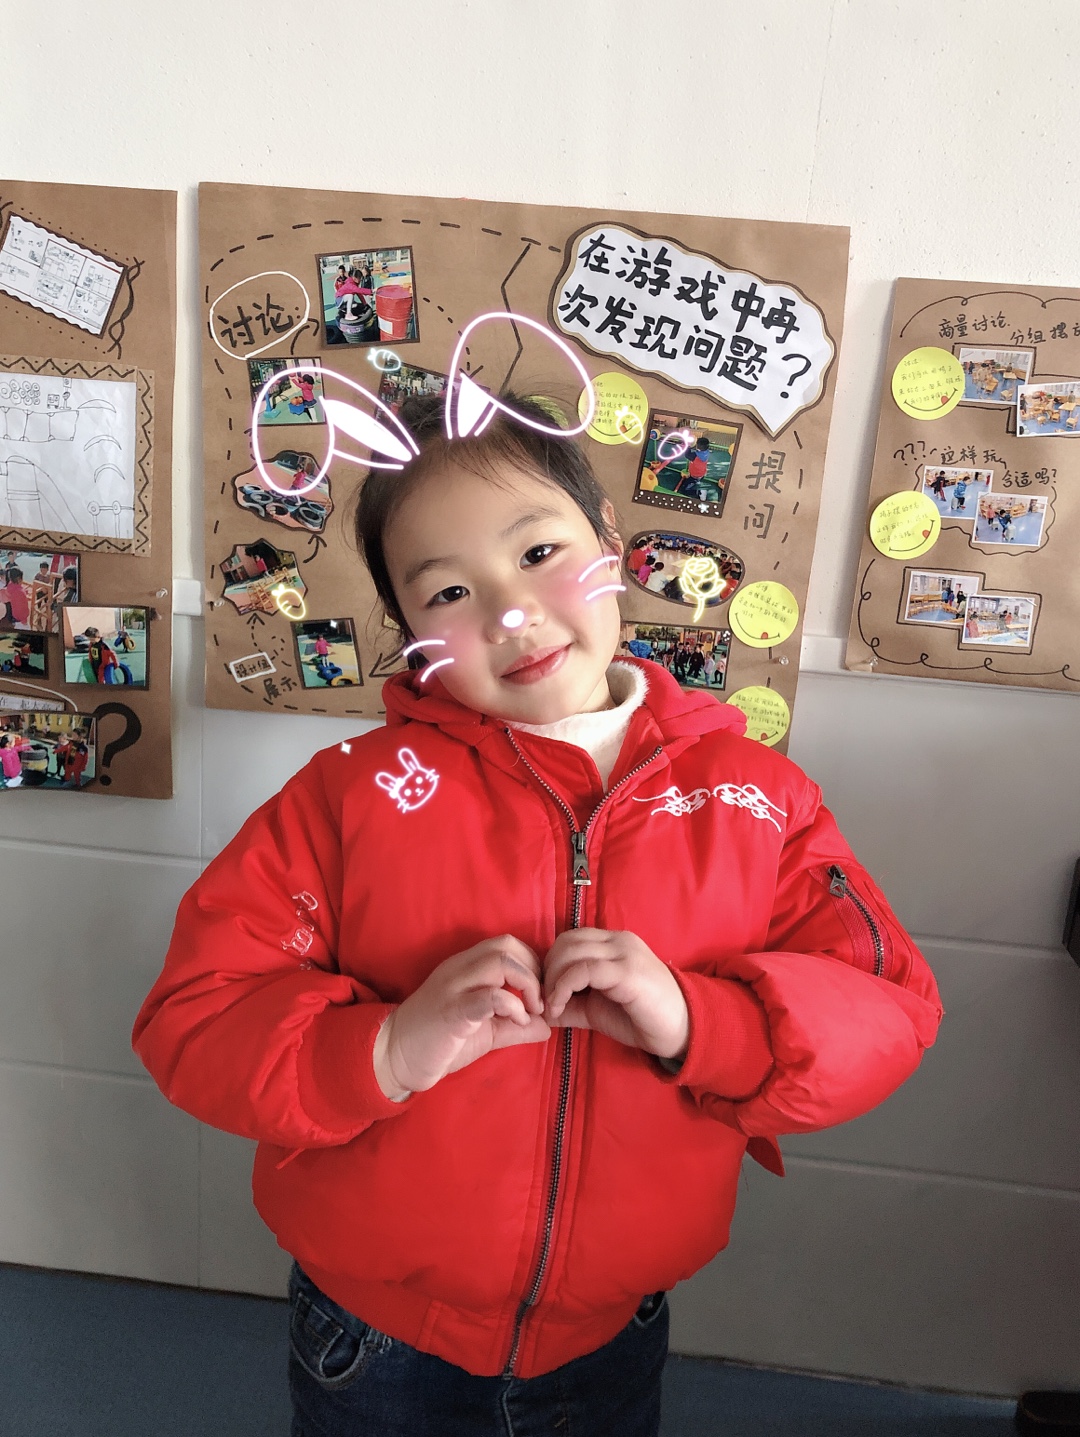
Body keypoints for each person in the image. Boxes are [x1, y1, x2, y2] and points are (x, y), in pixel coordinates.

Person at [132, 388, 943, 1437]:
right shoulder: (346, 799)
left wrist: (702, 1022)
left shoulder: (757, 798)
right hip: (375, 1336)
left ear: (609, 538)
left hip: (613, 1335)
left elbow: (890, 1007)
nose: (510, 614)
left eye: (539, 551)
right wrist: (386, 1047)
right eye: (449, 590)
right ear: (408, 629)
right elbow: (194, 1018)